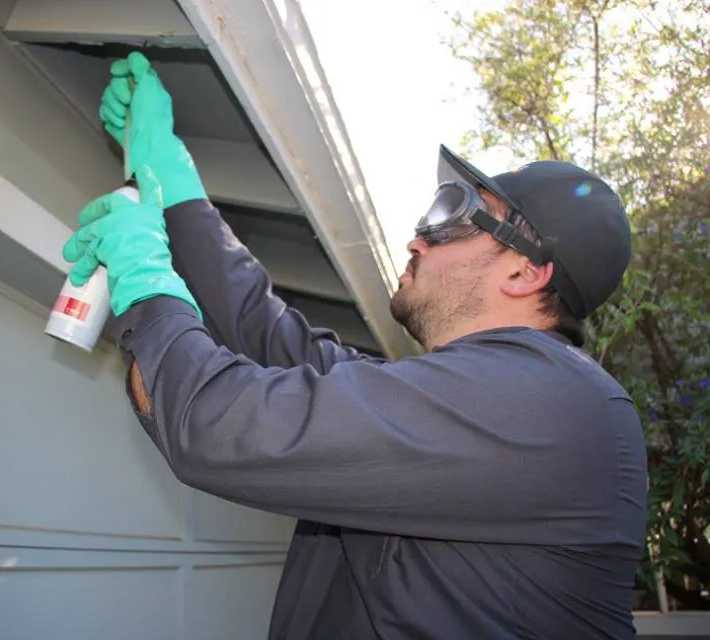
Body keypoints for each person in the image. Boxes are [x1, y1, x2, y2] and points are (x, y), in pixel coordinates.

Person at [63, 51, 649, 639]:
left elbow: (211, 422)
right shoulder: (478, 405)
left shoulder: (550, 406)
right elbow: (265, 330)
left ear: (525, 274)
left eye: (456, 214)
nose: (418, 237)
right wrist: (170, 172)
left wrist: (145, 284)